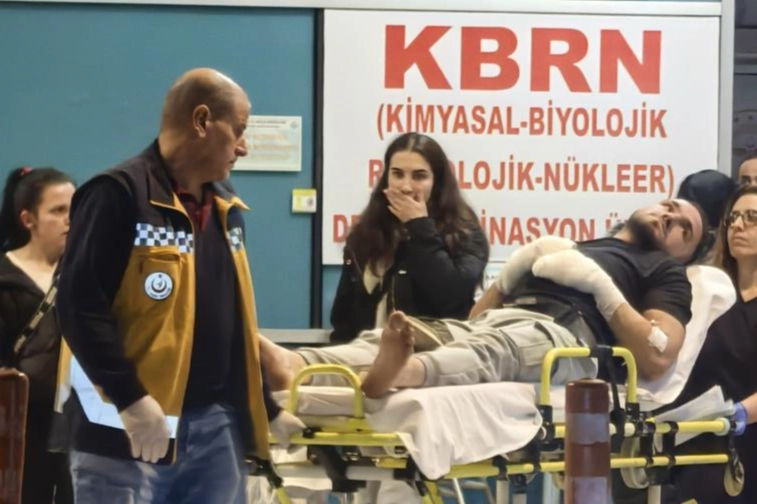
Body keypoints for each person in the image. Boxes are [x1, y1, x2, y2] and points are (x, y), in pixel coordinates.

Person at [55, 68, 303, 504]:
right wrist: (131, 400)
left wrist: (266, 407)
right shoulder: (117, 195)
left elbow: (233, 322)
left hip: (214, 429)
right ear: (202, 120)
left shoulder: (226, 207)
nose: (243, 147)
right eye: (239, 130)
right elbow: (79, 307)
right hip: (126, 429)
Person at [262, 197, 707, 399]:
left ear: (686, 253)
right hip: (499, 319)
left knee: (494, 350)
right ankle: (295, 364)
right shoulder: (583, 245)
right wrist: (511, 274)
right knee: (408, 335)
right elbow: (476, 318)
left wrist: (601, 289)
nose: (670, 217)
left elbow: (657, 356)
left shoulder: (665, 273)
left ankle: (402, 373)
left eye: (684, 228)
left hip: (564, 336)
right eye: (668, 206)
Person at [634, 185, 757, 504]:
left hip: (745, 444)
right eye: (733, 218)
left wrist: (739, 413)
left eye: (752, 217)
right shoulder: (705, 292)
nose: (738, 225)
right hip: (688, 443)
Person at [330, 132, 489, 343]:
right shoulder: (367, 233)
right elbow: (344, 317)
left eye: (419, 176)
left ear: (437, 182)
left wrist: (419, 226)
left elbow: (450, 296)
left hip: (436, 352)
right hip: (368, 350)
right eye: (397, 174)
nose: (406, 187)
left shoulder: (464, 233)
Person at [0, 166, 75, 504]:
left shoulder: (85, 274)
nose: (69, 220)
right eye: (57, 211)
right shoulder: (5, 279)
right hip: (18, 429)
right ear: (28, 219)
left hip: (77, 426)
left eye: (74, 209)